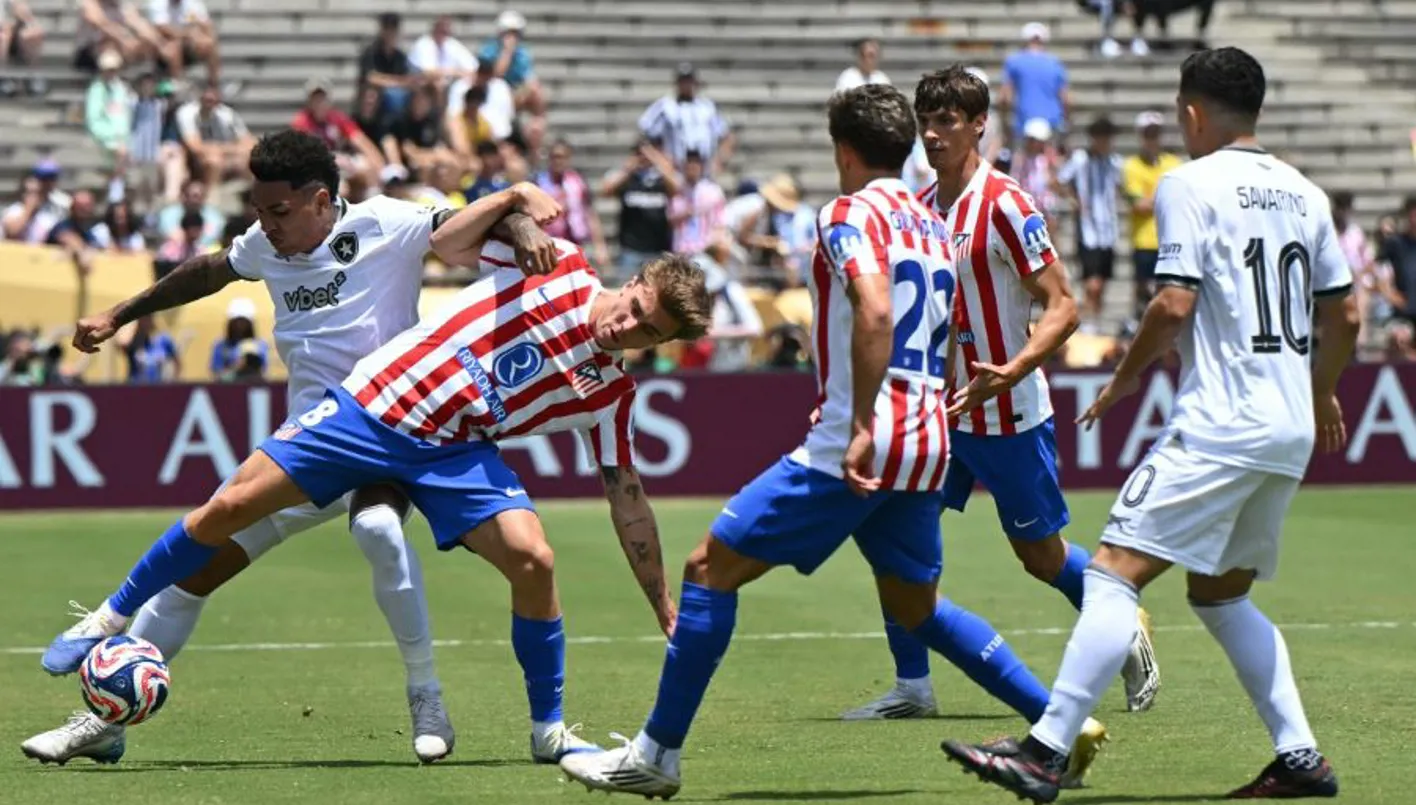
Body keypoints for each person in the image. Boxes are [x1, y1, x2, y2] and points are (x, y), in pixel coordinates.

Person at [36, 177, 713, 768]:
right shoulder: (556, 265)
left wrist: (662, 605)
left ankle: (545, 730)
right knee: (225, 512)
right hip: (368, 409)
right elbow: (454, 239)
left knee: (529, 557)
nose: (627, 328)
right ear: (633, 282)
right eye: (635, 310)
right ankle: (108, 618)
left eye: (646, 333)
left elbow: (628, 498)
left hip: (450, 451)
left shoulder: (609, 394)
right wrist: (514, 205)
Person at [559, 83, 1103, 799]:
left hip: (861, 439)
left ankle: (656, 755)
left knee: (708, 569)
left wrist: (865, 422)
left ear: (842, 150)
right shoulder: (931, 223)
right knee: (918, 607)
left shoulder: (845, 214)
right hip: (928, 438)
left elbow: (874, 309)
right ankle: (1061, 726)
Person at [21, 130, 520, 767]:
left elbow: (468, 223)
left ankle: (426, 696)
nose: (266, 224)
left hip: (388, 435)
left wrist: (521, 212)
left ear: (321, 200)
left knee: (377, 529)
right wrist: (119, 314)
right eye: (258, 210)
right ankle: (106, 722)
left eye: (278, 211)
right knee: (192, 573)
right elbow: (207, 271)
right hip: (307, 447)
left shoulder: (387, 223)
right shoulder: (267, 242)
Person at [942, 46, 1359, 802]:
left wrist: (1125, 377)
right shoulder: (1305, 193)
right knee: (1222, 595)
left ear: (1192, 113)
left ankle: (1044, 750)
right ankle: (1300, 757)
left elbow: (1172, 303)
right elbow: (1348, 315)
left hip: (1222, 422)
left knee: (1110, 574)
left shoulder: (1188, 183)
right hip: (1289, 425)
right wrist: (1324, 390)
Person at [846, 65, 1158, 723]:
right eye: (925, 122)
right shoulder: (919, 208)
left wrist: (1013, 369)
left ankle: (1121, 617)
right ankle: (912, 686)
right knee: (889, 530)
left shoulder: (1007, 203)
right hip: (939, 412)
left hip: (1008, 412)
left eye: (947, 121)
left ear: (979, 125)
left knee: (1039, 556)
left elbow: (1063, 304)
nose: (933, 134)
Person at [1059, 116, 1123, 329]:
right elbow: (1059, 180)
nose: (1105, 141)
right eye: (1101, 136)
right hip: (1088, 230)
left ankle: (1094, 322)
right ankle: (1086, 324)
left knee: (1101, 283)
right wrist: (1073, 199)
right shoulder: (1080, 159)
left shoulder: (1114, 161)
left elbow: (1118, 187)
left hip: (1108, 230)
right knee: (1092, 283)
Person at [1122, 111, 1184, 317]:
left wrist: (1153, 199)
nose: (1152, 140)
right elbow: (1138, 205)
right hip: (1144, 240)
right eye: (1148, 134)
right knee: (1143, 291)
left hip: (1169, 239)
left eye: (1155, 134)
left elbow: (1177, 200)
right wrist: (1165, 199)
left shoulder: (1173, 163)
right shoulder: (1131, 166)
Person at [601, 139, 679, 281]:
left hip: (657, 249)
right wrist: (628, 169)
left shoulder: (661, 179)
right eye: (639, 154)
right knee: (626, 288)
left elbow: (677, 188)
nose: (644, 158)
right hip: (630, 249)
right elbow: (606, 191)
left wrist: (657, 161)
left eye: (647, 154)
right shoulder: (627, 178)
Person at [638, 63, 734, 174]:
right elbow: (646, 136)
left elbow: (726, 136)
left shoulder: (707, 107)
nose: (686, 85)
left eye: (689, 81)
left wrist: (719, 162)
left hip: (704, 171)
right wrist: (662, 161)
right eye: (683, 81)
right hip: (675, 171)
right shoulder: (665, 106)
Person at [1001, 23, 1069, 149]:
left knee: (1023, 159)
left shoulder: (1014, 61)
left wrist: (1004, 121)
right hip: (1052, 121)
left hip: (1024, 121)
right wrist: (1067, 120)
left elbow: (1005, 97)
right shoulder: (1055, 63)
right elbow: (1065, 98)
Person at [668, 149, 726, 256]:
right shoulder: (678, 190)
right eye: (689, 165)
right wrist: (688, 212)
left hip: (705, 248)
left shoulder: (712, 191)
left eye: (695, 165)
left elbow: (719, 221)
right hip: (682, 249)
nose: (692, 169)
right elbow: (671, 219)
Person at [209, 297, 269, 380]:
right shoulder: (221, 346)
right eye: (237, 321)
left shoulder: (260, 345)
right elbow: (216, 373)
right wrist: (236, 367)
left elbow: (263, 370)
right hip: (228, 386)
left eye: (243, 321)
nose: (239, 325)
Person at [119, 313, 179, 382]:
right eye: (142, 319)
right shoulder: (134, 341)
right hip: (134, 386)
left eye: (148, 317)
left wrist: (171, 383)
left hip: (157, 386)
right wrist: (134, 321)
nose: (145, 321)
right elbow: (123, 343)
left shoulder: (164, 339)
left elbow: (177, 363)